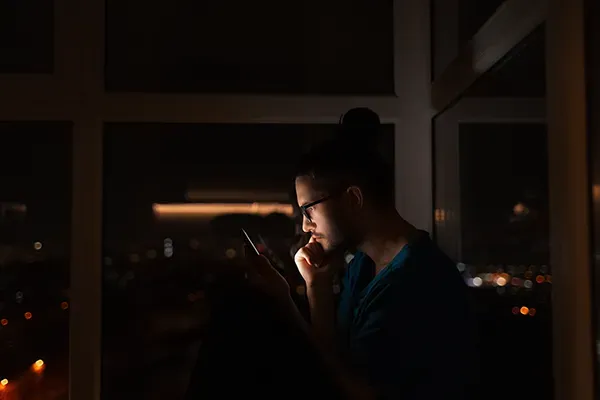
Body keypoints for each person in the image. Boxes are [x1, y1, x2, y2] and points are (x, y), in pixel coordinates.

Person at [244, 137, 480, 400]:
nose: (305, 227)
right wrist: (317, 285)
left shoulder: (419, 281)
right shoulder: (362, 263)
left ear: (353, 199)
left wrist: (284, 301)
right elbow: (335, 360)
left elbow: (355, 392)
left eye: (308, 212)